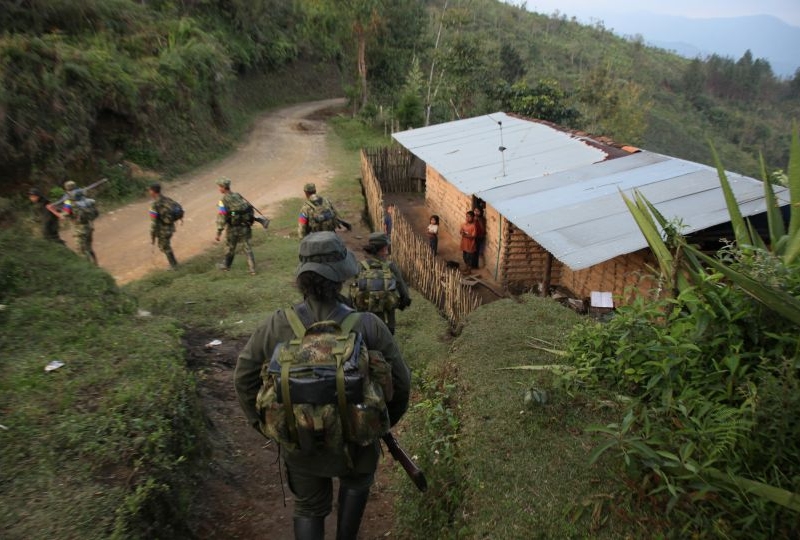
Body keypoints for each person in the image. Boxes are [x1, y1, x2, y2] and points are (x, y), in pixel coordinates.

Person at [234, 231, 411, 540]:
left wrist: (266, 425)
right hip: (359, 440)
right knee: (356, 485)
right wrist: (377, 424)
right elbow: (402, 383)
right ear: (342, 275)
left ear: (302, 278)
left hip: (301, 443)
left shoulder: (276, 325)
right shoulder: (369, 325)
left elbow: (243, 378)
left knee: (308, 507)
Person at [356, 232, 411, 335]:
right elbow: (405, 296)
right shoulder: (390, 267)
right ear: (383, 249)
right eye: (386, 249)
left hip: (364, 323)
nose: (387, 253)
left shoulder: (360, 267)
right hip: (387, 323)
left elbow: (353, 295)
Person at [48, 180, 98, 265]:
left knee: (81, 251)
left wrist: (53, 210)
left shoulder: (68, 202)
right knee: (89, 248)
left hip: (79, 230)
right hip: (89, 226)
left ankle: (90, 269)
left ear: (66, 189)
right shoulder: (85, 199)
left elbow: (64, 215)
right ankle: (96, 265)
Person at [215, 177, 257, 275]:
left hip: (233, 228)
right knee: (247, 247)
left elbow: (222, 217)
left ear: (223, 187)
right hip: (245, 226)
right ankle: (252, 269)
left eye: (219, 187)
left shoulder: (223, 201)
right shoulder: (237, 195)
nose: (218, 189)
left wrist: (218, 233)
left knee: (230, 247)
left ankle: (226, 266)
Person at [147, 182, 178, 269]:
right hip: (170, 227)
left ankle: (174, 265)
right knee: (165, 245)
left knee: (164, 247)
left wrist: (152, 235)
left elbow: (153, 222)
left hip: (163, 229)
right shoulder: (167, 199)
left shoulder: (154, 205)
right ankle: (174, 264)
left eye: (149, 191)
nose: (149, 192)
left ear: (153, 192)